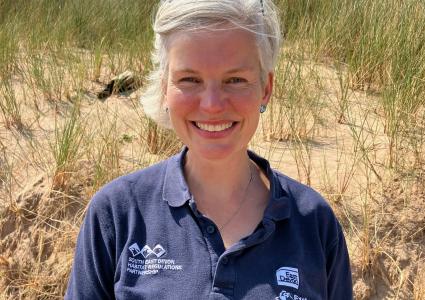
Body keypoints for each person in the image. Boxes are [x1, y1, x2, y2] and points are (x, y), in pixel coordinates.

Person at [65, 0, 353, 299]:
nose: (213, 105)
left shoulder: (314, 223)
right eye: (190, 79)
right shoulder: (118, 214)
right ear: (165, 86)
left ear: (266, 88)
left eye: (235, 80)